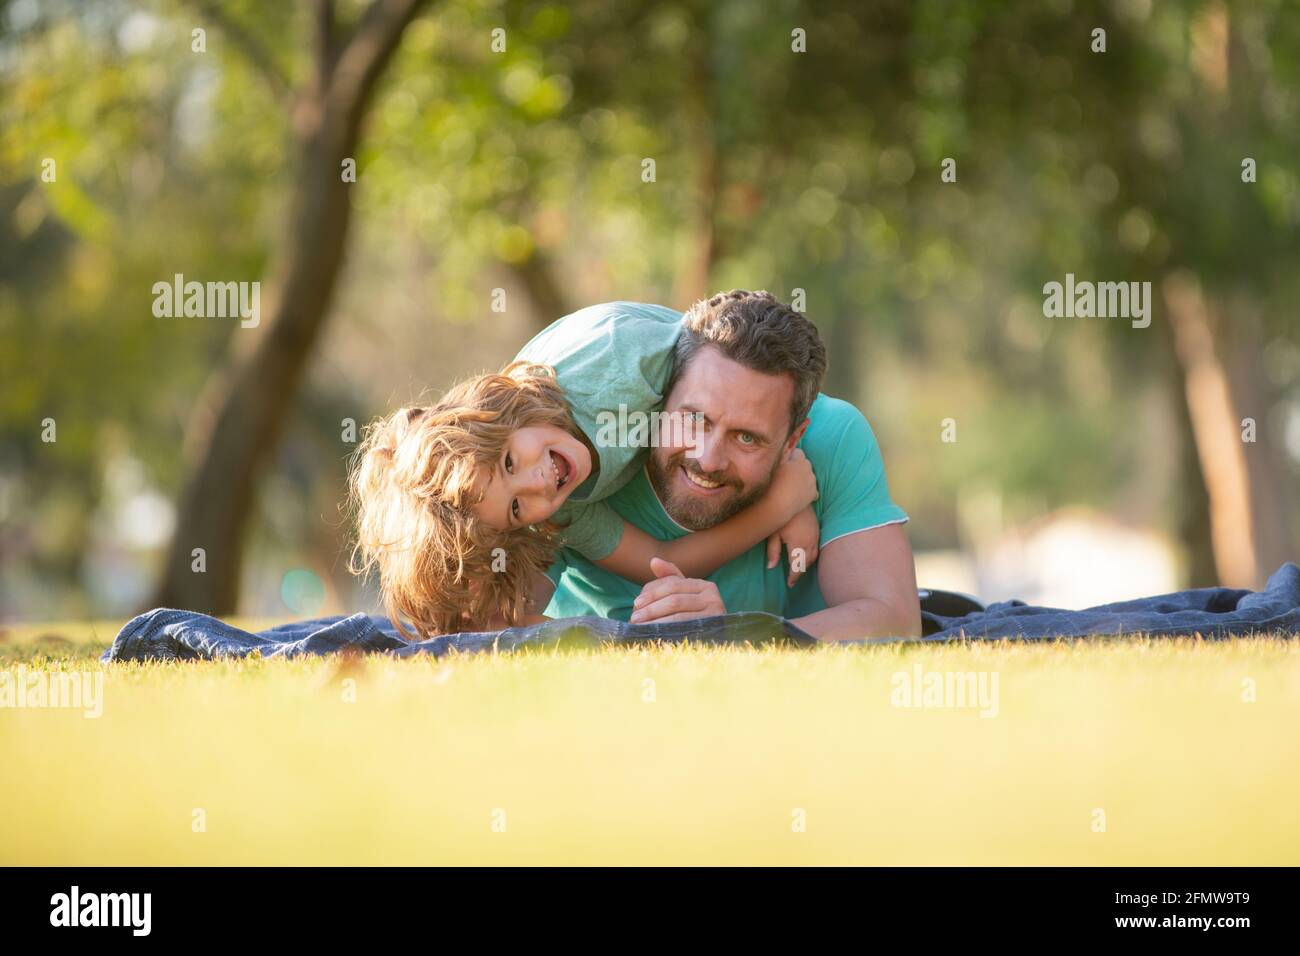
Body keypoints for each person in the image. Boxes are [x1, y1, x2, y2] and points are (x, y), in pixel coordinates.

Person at [348, 301, 821, 637]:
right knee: (488, 619)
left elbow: (732, 363)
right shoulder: (564, 507)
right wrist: (776, 510)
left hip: (709, 340)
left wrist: (784, 484)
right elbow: (659, 559)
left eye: (511, 461)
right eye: (516, 508)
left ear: (506, 412)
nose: (538, 485)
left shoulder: (619, 372)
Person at [535, 290, 922, 640]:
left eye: (747, 438)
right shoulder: (573, 458)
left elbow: (895, 621)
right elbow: (489, 625)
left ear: (792, 442)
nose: (708, 459)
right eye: (695, 419)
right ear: (662, 397)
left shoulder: (834, 435)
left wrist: (731, 636)